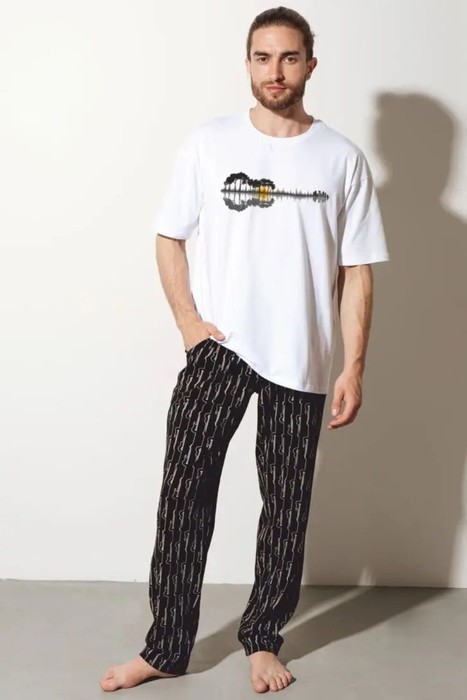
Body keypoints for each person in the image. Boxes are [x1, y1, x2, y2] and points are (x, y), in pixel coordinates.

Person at [100, 5, 389, 694]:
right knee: (184, 495)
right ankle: (167, 646)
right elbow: (169, 235)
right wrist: (188, 323)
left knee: (285, 504)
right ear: (248, 64)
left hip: (302, 354)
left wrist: (352, 367)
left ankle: (262, 639)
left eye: (288, 57)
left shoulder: (341, 158)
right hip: (221, 349)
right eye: (262, 57)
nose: (275, 71)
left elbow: (356, 271)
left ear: (310, 65)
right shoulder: (209, 143)